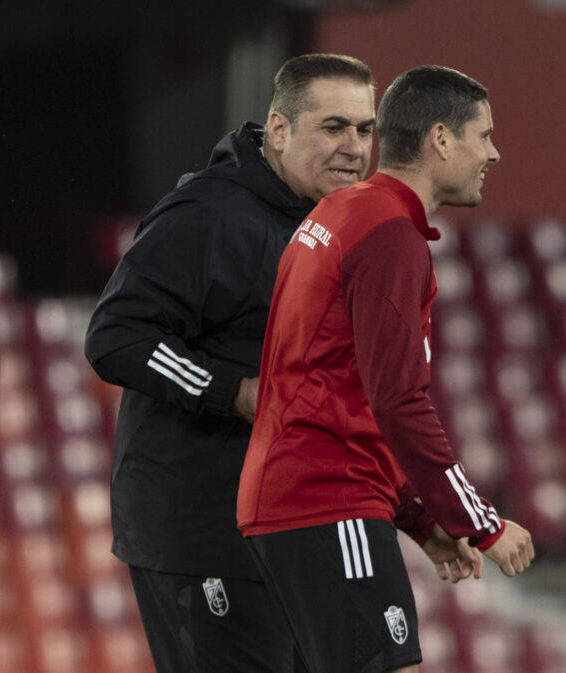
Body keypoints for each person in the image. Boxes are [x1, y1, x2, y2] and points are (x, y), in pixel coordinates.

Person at [83, 54, 378, 673]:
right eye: (333, 127)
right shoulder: (211, 213)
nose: (354, 147)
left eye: (365, 128)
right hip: (203, 529)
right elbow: (116, 333)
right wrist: (235, 391)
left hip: (288, 532)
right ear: (278, 129)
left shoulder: (336, 223)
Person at [237, 65, 536, 673]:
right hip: (328, 499)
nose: (494, 153)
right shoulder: (388, 235)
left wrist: (419, 519)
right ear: (441, 139)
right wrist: (477, 523)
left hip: (295, 497)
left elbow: (338, 388)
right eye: (484, 135)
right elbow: (397, 400)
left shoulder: (344, 213)